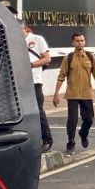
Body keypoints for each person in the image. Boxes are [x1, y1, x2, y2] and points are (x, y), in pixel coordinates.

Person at [51, 31, 95, 155]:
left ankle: (83, 134)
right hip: (72, 94)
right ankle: (71, 142)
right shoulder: (68, 58)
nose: (80, 43)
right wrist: (56, 94)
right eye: (78, 41)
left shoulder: (90, 56)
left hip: (86, 93)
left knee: (89, 119)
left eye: (82, 40)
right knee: (72, 120)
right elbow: (61, 76)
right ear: (73, 42)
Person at [23, 20, 53, 153]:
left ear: (26, 29)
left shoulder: (37, 39)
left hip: (34, 81)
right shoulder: (13, 41)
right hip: (19, 81)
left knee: (38, 111)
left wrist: (31, 65)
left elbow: (47, 59)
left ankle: (47, 139)